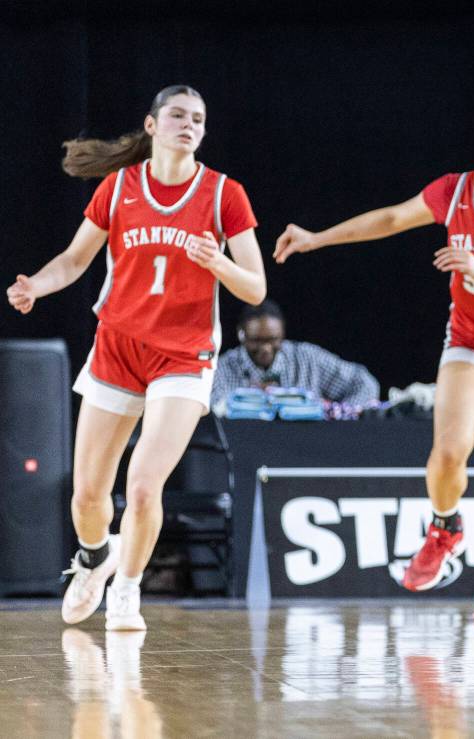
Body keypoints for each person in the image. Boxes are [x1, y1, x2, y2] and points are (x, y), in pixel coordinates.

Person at [274, 102, 474, 620]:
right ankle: (445, 526)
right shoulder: (455, 191)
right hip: (473, 338)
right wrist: (317, 238)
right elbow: (390, 218)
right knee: (450, 451)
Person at [7, 85, 266, 631]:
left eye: (197, 118)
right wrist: (37, 285)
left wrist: (218, 263)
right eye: (177, 115)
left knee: (145, 483)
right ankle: (95, 559)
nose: (188, 125)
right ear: (152, 126)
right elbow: (76, 259)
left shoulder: (224, 195)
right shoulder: (119, 186)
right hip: (119, 347)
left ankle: (127, 589)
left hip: (183, 354)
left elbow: (256, 289)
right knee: (87, 498)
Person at [211, 298, 380, 408]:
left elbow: (365, 383)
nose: (266, 348)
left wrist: (341, 415)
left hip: (306, 450)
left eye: (272, 339)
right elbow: (210, 411)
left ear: (283, 333)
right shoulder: (222, 369)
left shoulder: (307, 358)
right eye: (257, 340)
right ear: (241, 335)